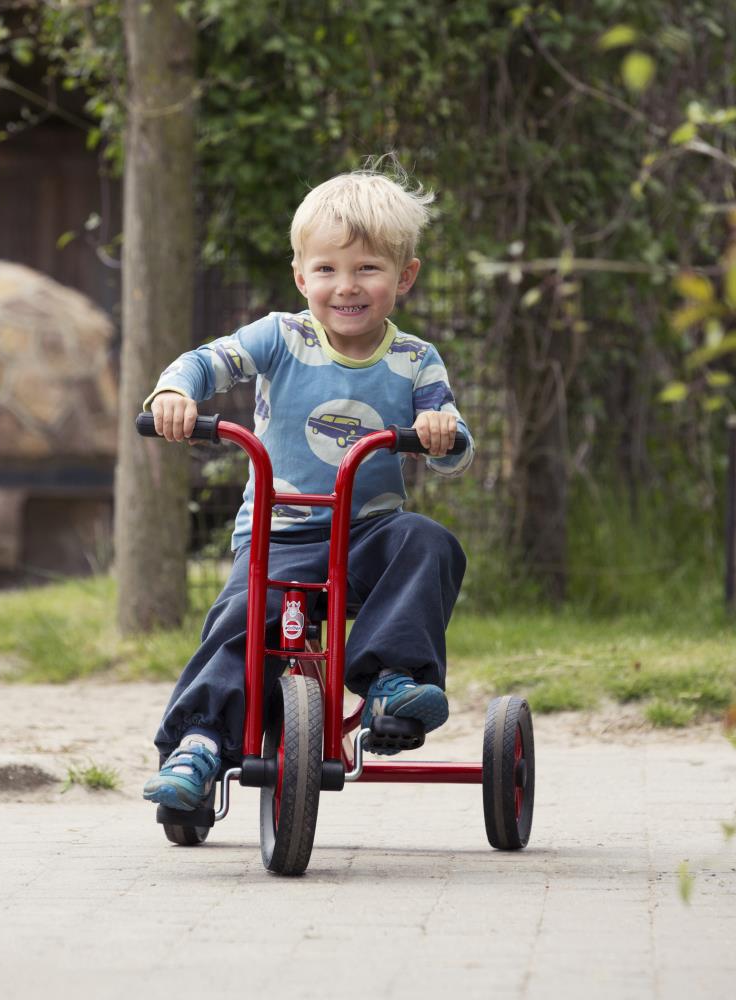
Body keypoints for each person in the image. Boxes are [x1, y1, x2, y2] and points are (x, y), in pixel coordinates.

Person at [141, 164, 475, 810]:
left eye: (367, 269)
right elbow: (207, 361)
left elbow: (455, 445)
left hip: (367, 536)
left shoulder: (415, 361)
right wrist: (175, 391)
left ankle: (390, 680)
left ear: (405, 276)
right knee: (241, 616)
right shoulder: (282, 338)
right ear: (301, 277)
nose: (345, 287)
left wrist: (441, 430)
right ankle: (201, 741)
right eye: (326, 270)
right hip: (280, 534)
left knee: (428, 542)